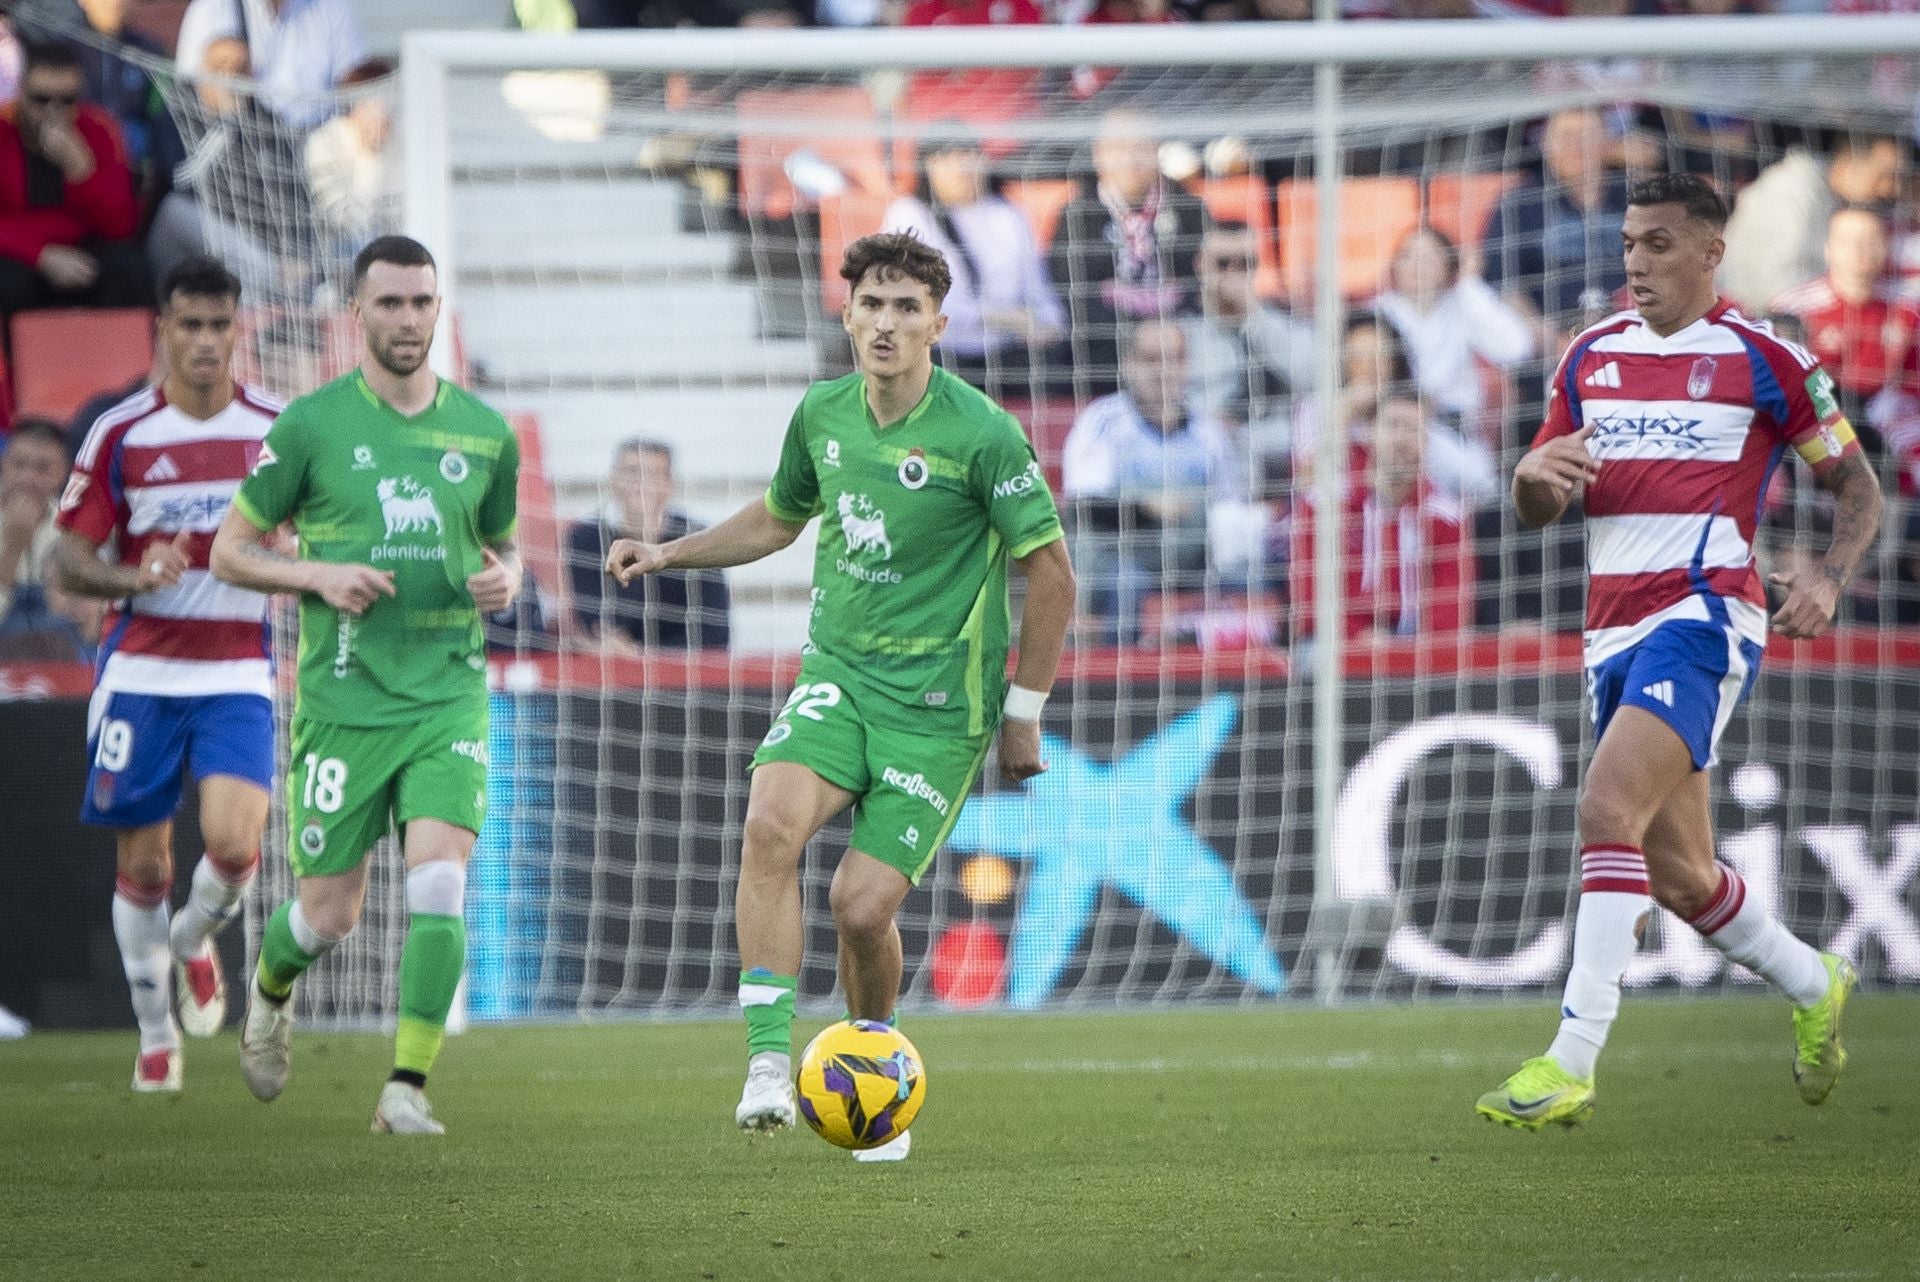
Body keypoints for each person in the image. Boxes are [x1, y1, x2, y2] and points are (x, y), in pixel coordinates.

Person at [604, 232, 1074, 1162]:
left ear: (940, 324)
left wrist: (1024, 714)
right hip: (839, 677)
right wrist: (667, 551)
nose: (887, 323)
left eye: (908, 309)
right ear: (847, 314)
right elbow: (781, 516)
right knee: (770, 820)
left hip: (939, 708)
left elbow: (1052, 573)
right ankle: (769, 1065)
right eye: (873, 305)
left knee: (860, 910)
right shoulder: (821, 412)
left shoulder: (982, 433)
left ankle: (875, 1063)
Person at [1478, 174, 1882, 1130]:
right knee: (1682, 877)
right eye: (1628, 243)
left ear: (1711, 254)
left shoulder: (1766, 360)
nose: (1635, 262)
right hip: (1609, 629)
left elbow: (1859, 490)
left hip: (1706, 617)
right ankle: (1814, 980)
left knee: (1604, 806)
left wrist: (1826, 576)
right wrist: (1531, 474)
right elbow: (1543, 501)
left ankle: (1571, 1057)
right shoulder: (1589, 355)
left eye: (1658, 244)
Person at [209, 236, 523, 1135]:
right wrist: (316, 575)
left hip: (446, 694)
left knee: (438, 884)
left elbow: (504, 554)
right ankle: (270, 992)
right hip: (345, 703)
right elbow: (231, 551)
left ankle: (406, 1088)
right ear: (357, 314)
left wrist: (507, 583)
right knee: (329, 915)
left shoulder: (483, 431)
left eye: (422, 302)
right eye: (390, 304)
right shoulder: (311, 426)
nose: (409, 320)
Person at [52, 257, 275, 1092]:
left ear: (237, 330)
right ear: (163, 330)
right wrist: (133, 576)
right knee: (145, 865)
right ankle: (156, 1036)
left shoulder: (277, 431)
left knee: (233, 842)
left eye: (221, 326)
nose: (208, 342)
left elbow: (320, 529)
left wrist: (297, 553)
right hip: (142, 669)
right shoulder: (123, 433)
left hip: (235, 668)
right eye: (191, 325)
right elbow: (69, 561)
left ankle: (191, 942)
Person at [1062, 317, 1240, 643]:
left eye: (1173, 359)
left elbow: (1230, 509)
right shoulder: (1103, 421)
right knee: (1128, 582)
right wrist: (1145, 508)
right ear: (1129, 364)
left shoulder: (1209, 434)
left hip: (1191, 557)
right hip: (1115, 557)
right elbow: (1082, 506)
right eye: (1151, 359)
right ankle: (1119, 683)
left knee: (1250, 578)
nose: (1163, 371)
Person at [881, 126, 1065, 400]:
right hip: (938, 356)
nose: (961, 168)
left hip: (1007, 356)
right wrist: (1004, 318)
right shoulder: (909, 215)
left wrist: (1050, 325)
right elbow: (921, 308)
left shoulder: (1008, 215)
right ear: (928, 166)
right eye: (948, 158)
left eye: (969, 155)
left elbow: (1042, 296)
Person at [1287, 390, 1475, 643]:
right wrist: (1360, 635)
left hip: (1417, 647)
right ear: (1369, 433)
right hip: (1338, 643)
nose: (1401, 439)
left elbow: (1452, 606)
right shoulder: (1323, 506)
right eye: (1392, 425)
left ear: (1427, 441)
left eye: (1413, 429)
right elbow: (1309, 600)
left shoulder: (1447, 516)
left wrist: (1411, 649)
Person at [1052, 109, 1209, 401]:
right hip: (1106, 346)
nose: (1131, 158)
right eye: (1120, 148)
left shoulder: (1190, 208)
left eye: (1141, 147)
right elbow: (1071, 296)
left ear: (1157, 149)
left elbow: (1202, 284)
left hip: (1182, 337)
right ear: (1099, 154)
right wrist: (1132, 332)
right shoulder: (1076, 215)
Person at [0, 40, 147, 322]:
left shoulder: (98, 130)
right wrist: (40, 255)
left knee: (129, 268)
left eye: (67, 100)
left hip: (84, 253)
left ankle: (122, 362)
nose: (54, 111)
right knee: (7, 281)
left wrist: (82, 172)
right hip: (22, 258)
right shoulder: (3, 132)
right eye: (41, 99)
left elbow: (122, 226)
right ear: (21, 95)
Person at [1769, 205, 1919, 452]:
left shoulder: (1908, 310)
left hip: (1887, 428)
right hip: (1817, 428)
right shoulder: (1795, 310)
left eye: (1871, 240)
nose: (1860, 250)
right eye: (1848, 241)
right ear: (1828, 249)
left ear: (1886, 246)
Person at [1374, 224, 1536, 440]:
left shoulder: (1464, 303)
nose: (1416, 267)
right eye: (1407, 256)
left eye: (1428, 259)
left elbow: (1517, 349)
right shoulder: (1378, 313)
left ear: (1449, 266)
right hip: (1396, 433)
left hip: (1455, 434)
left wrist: (1469, 283)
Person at [568, 438, 730, 652]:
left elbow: (715, 634)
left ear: (669, 482)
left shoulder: (698, 539)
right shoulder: (586, 538)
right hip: (612, 664)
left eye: (651, 474)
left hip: (682, 670)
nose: (640, 483)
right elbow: (597, 622)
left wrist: (641, 652)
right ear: (613, 479)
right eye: (631, 472)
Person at [1720, 133, 1904, 316]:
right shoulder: (1792, 192)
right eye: (1884, 177)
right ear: (1847, 167)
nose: (1892, 189)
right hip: (1756, 322)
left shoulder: (1835, 199)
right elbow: (1773, 289)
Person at [1481, 107, 1630, 331]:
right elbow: (1505, 286)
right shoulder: (1520, 203)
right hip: (1550, 348)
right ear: (1545, 146)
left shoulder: (1636, 195)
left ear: (1609, 142)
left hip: (1633, 336)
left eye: (1586, 136)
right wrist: (1553, 343)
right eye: (1566, 138)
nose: (1577, 147)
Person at [1182, 219, 1314, 447]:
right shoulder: (1182, 330)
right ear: (1200, 264)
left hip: (1275, 457)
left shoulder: (1279, 321)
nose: (1233, 273)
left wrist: (1253, 318)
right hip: (1206, 454)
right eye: (1222, 264)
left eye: (1245, 263)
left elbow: (1315, 377)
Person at [174, 0, 365, 128]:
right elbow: (189, 97)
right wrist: (231, 80)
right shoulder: (213, 9)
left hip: (317, 149)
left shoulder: (331, 7)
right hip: (247, 157)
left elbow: (357, 84)